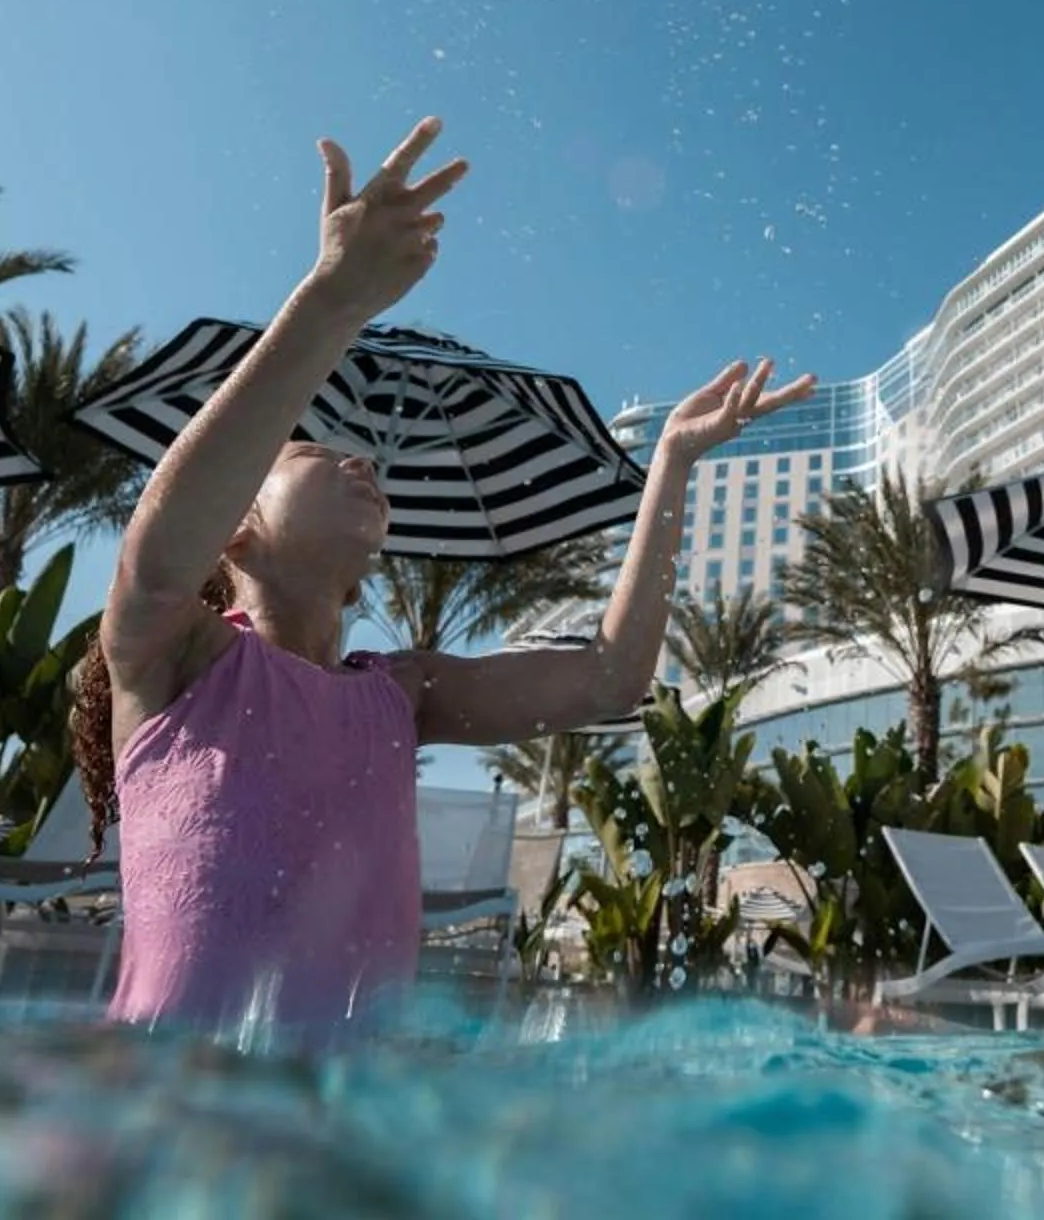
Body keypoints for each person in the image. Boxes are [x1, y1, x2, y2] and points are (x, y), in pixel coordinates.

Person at [74, 116, 812, 1039]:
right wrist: (332, 301)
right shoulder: (174, 658)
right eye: (313, 454)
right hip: (160, 1104)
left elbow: (613, 678)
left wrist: (670, 464)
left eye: (360, 460)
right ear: (238, 535)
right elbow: (157, 545)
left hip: (342, 1122)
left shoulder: (404, 695)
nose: (360, 465)